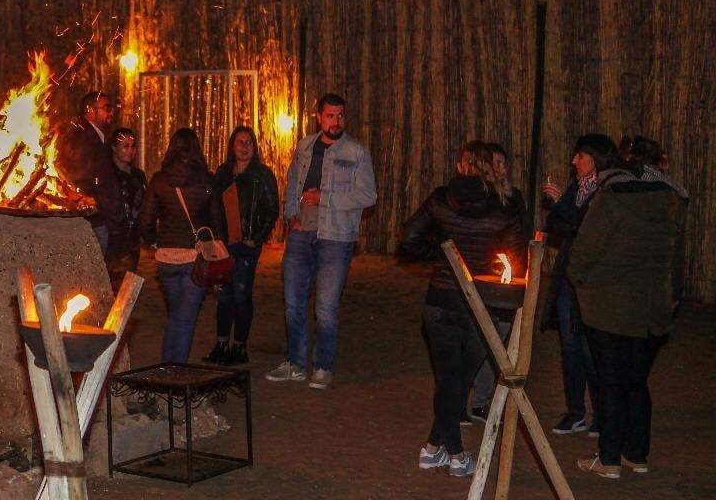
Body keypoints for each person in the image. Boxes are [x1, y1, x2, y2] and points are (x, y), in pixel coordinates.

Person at [399, 141, 527, 478]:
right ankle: (454, 454)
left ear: (461, 167)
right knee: (457, 380)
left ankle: (432, 448)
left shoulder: (441, 200)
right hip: (479, 306)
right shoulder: (503, 210)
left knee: (449, 379)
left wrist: (440, 255)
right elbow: (515, 262)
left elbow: (409, 237)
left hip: (440, 302)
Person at [566, 154, 686, 479]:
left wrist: (579, 281)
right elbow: (677, 259)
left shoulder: (609, 202)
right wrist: (672, 295)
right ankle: (636, 454)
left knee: (611, 382)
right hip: (652, 310)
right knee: (636, 382)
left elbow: (584, 252)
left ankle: (609, 459)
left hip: (610, 308)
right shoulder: (670, 205)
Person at [267, 94, 377, 388]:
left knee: (326, 306)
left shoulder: (356, 152)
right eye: (330, 116)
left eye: (340, 116)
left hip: (336, 236)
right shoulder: (305, 146)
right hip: (302, 232)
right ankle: (296, 362)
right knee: (293, 301)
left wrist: (325, 198)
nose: (336, 122)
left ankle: (323, 366)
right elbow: (292, 182)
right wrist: (291, 214)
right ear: (319, 117)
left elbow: (369, 196)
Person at [542, 133, 615, 435]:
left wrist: (561, 205)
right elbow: (557, 226)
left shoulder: (607, 192)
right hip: (568, 278)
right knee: (570, 347)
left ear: (595, 159)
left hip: (594, 280)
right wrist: (562, 207)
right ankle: (576, 411)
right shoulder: (578, 188)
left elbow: (583, 227)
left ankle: (601, 413)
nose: (574, 161)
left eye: (580, 156)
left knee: (592, 349)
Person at [140, 128, 218, 364]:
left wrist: (156, 242)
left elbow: (145, 222)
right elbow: (217, 223)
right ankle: (174, 373)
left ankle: (167, 368)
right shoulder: (206, 180)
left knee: (176, 316)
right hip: (195, 259)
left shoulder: (159, 180)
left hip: (166, 260)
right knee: (185, 319)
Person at [465, 142, 531, 420]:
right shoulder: (481, 201)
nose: (503, 169)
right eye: (498, 164)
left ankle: (481, 400)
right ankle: (470, 400)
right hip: (486, 278)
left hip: (509, 279)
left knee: (499, 343)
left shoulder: (513, 198)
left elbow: (525, 234)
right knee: (484, 343)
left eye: (505, 164)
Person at [203, 126, 279, 366]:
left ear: (254, 146)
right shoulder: (224, 173)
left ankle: (240, 346)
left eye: (249, 142)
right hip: (225, 244)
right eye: (240, 142)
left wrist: (256, 237)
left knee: (242, 293)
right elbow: (213, 206)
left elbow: (272, 209)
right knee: (225, 295)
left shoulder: (262, 174)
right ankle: (222, 343)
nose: (244, 147)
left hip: (246, 244)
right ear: (232, 146)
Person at [56, 91, 123, 255]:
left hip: (98, 217)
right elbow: (80, 176)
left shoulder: (93, 136)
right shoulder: (82, 137)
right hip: (91, 221)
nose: (111, 112)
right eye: (106, 107)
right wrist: (94, 200)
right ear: (90, 110)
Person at [104, 126, 148, 290]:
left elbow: (144, 202)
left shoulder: (138, 175)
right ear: (114, 148)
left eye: (133, 146)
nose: (130, 151)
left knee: (127, 285)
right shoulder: (107, 174)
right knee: (111, 282)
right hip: (112, 237)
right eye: (125, 146)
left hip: (132, 239)